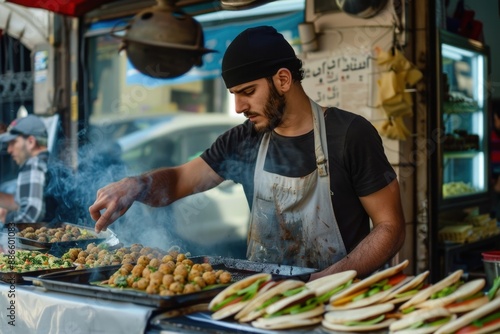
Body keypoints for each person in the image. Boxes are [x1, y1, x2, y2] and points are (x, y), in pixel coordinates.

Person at [89, 26, 406, 280]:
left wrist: (325, 281)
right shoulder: (243, 141)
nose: (239, 107)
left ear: (283, 79)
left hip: (339, 297)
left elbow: (390, 227)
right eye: (234, 95)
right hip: (261, 299)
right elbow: (178, 181)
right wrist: (136, 185)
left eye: (248, 92)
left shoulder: (350, 135)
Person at [0, 115, 51, 224]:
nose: (9, 150)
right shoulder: (46, 161)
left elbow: (30, 217)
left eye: (13, 142)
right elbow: (19, 201)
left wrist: (5, 218)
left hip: (40, 239)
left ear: (31, 142)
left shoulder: (34, 165)